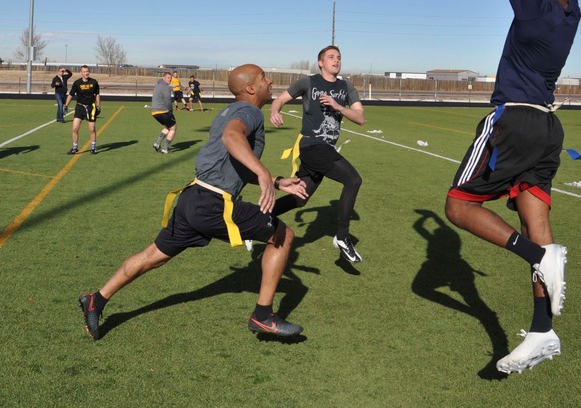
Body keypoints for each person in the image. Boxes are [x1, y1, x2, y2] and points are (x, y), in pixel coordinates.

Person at [443, 0, 581, 375]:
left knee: (458, 207)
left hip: (515, 124)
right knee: (537, 222)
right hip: (548, 129)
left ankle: (538, 257)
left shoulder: (532, 6)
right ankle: (543, 330)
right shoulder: (569, 9)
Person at [79, 64, 309, 340]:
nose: (270, 81)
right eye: (263, 77)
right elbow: (231, 137)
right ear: (250, 88)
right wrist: (262, 173)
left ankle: (96, 299)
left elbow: (235, 163)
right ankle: (262, 316)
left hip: (193, 198)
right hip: (213, 204)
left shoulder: (231, 111)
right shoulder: (248, 112)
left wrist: (276, 180)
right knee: (283, 236)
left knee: (151, 256)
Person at [269, 45, 366, 264]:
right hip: (312, 146)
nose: (336, 60)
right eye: (331, 57)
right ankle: (342, 236)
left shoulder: (346, 87)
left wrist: (338, 107)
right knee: (353, 179)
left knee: (299, 198)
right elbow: (280, 99)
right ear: (320, 63)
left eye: (339, 57)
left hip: (325, 150)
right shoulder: (308, 82)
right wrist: (275, 111)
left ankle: (260, 216)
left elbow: (360, 118)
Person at [64, 65, 101, 155]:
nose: (86, 73)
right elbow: (71, 94)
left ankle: (93, 147)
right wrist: (66, 105)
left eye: (87, 71)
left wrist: (99, 106)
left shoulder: (94, 82)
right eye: (84, 71)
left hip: (90, 107)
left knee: (92, 129)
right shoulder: (77, 83)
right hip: (79, 107)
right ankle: (75, 148)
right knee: (75, 129)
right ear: (81, 72)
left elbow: (97, 94)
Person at [151, 71, 176, 154]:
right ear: (164, 78)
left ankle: (157, 143)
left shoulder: (158, 85)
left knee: (168, 127)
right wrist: (171, 110)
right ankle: (165, 148)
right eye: (168, 78)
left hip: (154, 112)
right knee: (173, 128)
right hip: (163, 111)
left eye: (170, 78)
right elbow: (168, 100)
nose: (170, 79)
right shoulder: (165, 87)